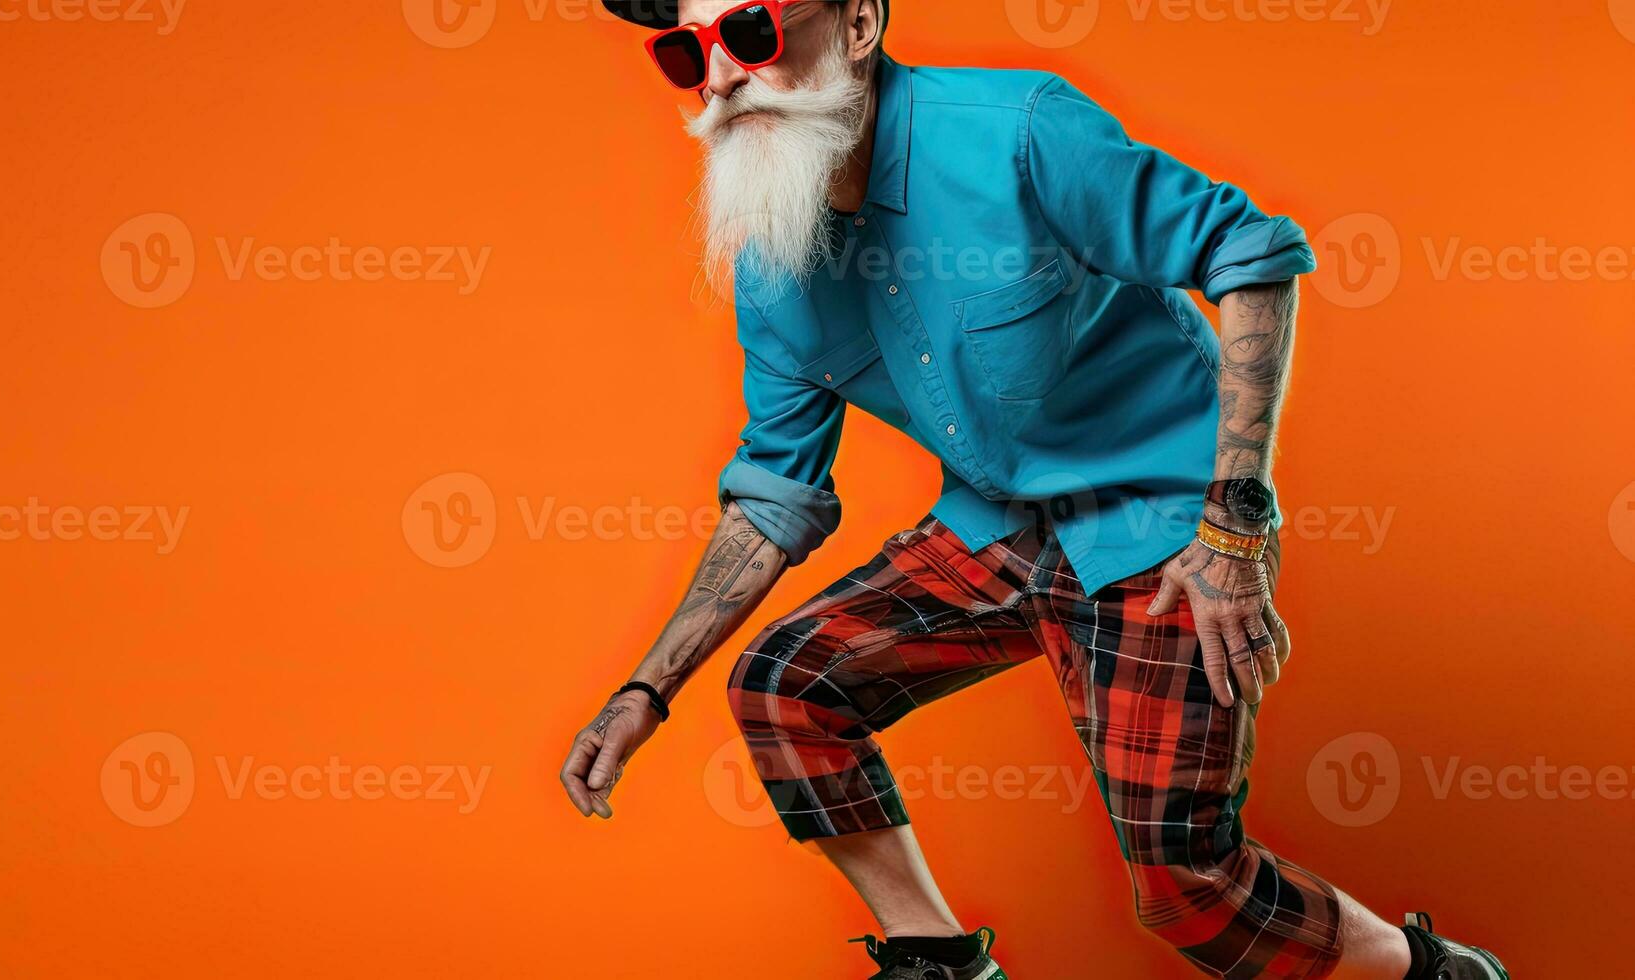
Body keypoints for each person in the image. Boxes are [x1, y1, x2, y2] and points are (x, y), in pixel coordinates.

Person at [557, 2, 1508, 977]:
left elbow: (1249, 254)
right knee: (785, 686)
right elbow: (773, 495)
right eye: (687, 51)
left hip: (1156, 527)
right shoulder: (770, 264)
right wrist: (644, 689)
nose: (717, 81)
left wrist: (1232, 527)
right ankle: (939, 959)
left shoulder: (1017, 132)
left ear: (854, 27)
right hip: (995, 526)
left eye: (750, 34)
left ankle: (1435, 973)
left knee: (1190, 898)